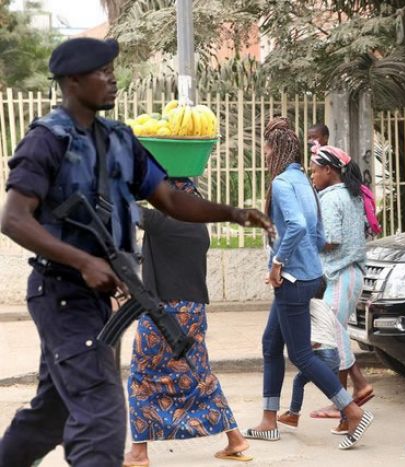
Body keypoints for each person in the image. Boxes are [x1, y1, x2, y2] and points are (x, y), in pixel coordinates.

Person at [0, 37, 272, 467]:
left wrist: (232, 212)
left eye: (113, 69)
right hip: (62, 292)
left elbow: (170, 199)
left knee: (51, 416)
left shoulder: (120, 138)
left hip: (98, 299)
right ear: (72, 81)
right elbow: (14, 218)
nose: (112, 79)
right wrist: (83, 260)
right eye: (101, 71)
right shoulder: (46, 140)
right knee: (102, 418)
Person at [245, 118, 373, 450]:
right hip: (307, 275)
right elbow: (315, 234)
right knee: (271, 344)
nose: (263, 153)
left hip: (293, 279)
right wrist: (300, 260)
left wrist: (278, 263)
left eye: (266, 147)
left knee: (301, 354)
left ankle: (351, 409)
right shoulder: (303, 180)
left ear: (277, 149)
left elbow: (300, 227)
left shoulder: (283, 184)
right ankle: (269, 420)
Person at [123, 179, 252, 466]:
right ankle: (235, 439)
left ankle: (139, 453)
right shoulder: (199, 228)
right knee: (199, 374)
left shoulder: (165, 222)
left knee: (142, 375)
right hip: (193, 312)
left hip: (162, 313)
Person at [306, 143, 375, 433]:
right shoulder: (351, 193)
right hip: (349, 276)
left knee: (332, 336)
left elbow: (331, 239)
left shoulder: (330, 197)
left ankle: (353, 393)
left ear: (328, 170)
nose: (312, 177)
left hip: (340, 273)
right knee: (336, 333)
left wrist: (305, 241)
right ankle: (347, 398)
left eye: (314, 172)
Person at [277, 278, 348, 434]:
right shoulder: (325, 306)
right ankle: (346, 421)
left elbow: (316, 340)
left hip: (322, 352)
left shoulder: (309, 304)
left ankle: (293, 415)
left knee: (301, 381)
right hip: (333, 353)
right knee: (335, 390)